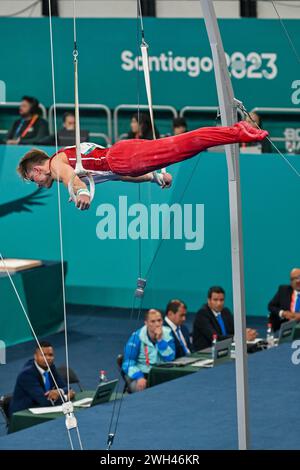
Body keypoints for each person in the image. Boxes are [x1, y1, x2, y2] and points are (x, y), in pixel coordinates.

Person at [16, 121, 268, 211]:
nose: (36, 182)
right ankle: (235, 132)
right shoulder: (66, 163)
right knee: (189, 147)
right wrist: (154, 177)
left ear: (37, 169)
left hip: (122, 156)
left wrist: (81, 191)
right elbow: (120, 177)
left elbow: (70, 175)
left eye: (32, 177)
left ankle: (237, 131)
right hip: (125, 164)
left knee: (186, 142)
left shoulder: (57, 163)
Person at [10, 341, 75, 415]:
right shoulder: (27, 374)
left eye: (50, 355)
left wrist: (59, 391)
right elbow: (45, 402)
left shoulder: (51, 367)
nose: (47, 358)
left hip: (40, 409)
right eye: (43, 355)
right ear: (35, 356)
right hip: (22, 415)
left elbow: (67, 388)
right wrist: (66, 397)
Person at [122, 309, 175, 392]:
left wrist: (160, 340)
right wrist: (139, 376)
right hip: (142, 374)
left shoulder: (168, 333)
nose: (157, 324)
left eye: (159, 320)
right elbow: (128, 363)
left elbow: (170, 358)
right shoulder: (136, 337)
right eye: (153, 321)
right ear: (146, 323)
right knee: (141, 389)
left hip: (161, 373)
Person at [192, 286, 257, 351]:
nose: (219, 303)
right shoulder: (202, 314)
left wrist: (246, 332)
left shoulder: (225, 311)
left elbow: (235, 330)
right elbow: (215, 337)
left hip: (225, 350)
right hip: (206, 353)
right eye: (215, 300)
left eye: (221, 300)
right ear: (209, 300)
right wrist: (240, 337)